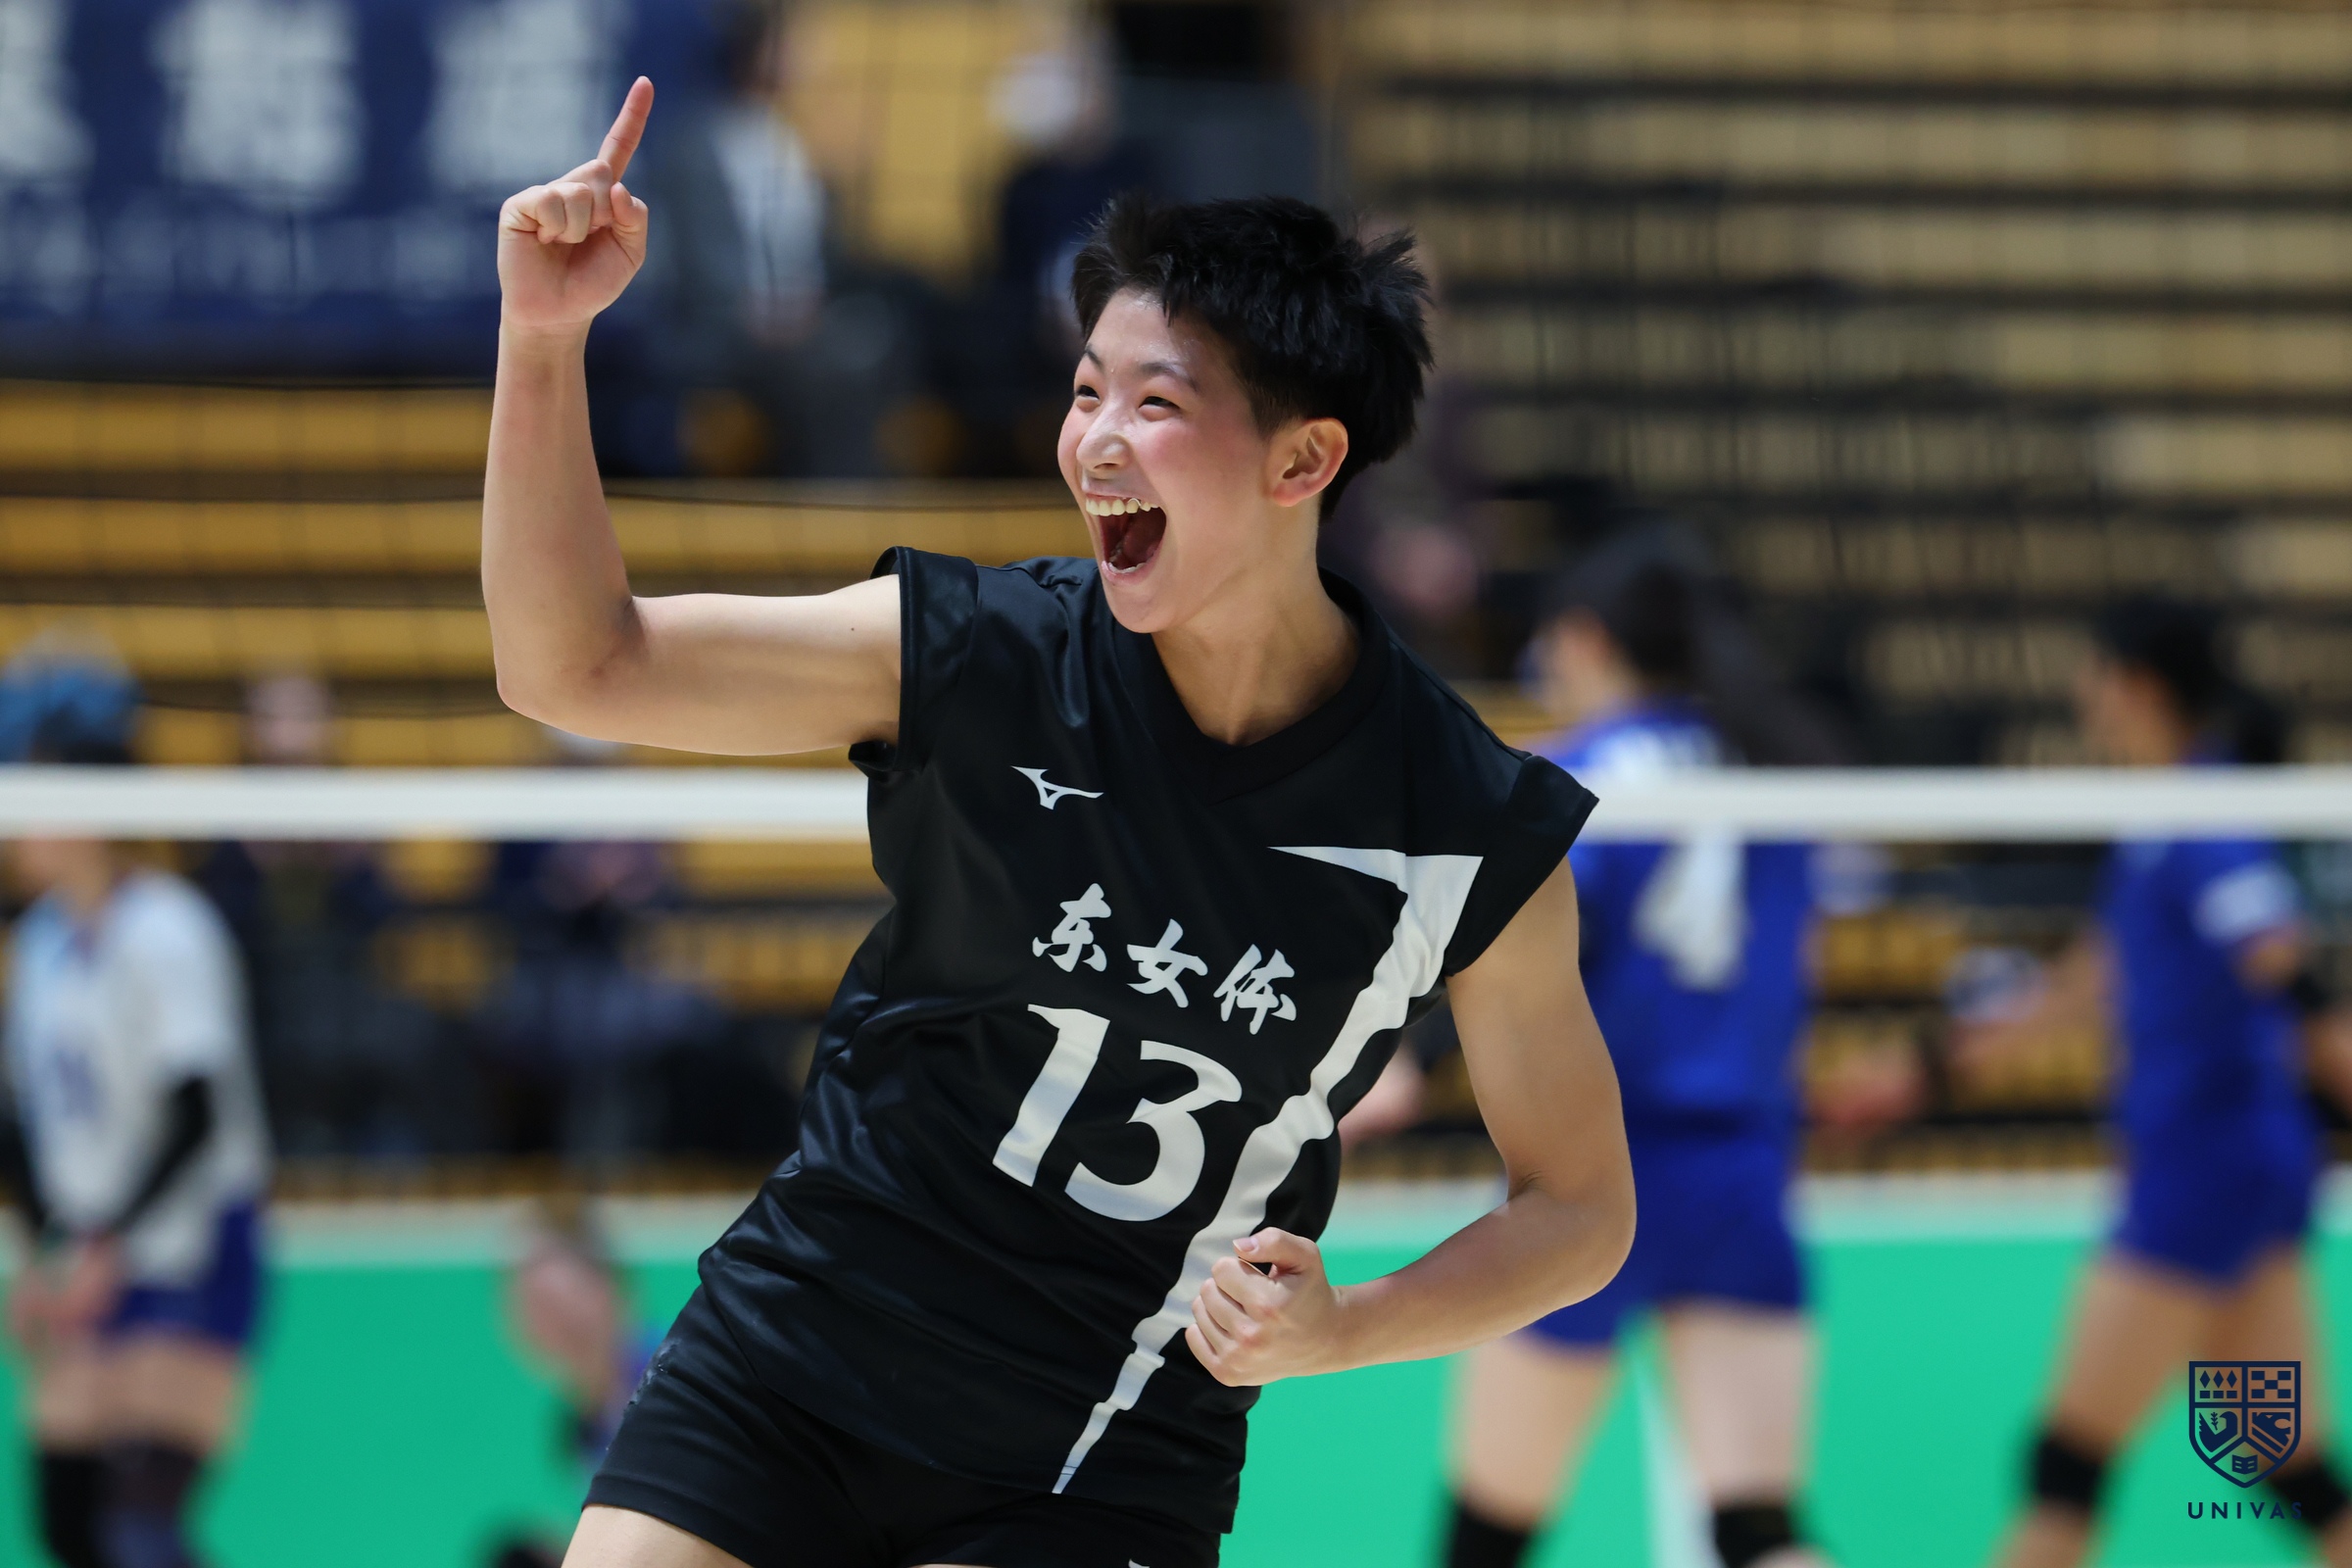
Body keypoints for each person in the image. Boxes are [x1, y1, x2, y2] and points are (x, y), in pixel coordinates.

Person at [484, 79, 1636, 1568]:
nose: (1093, 440)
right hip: (793, 1359)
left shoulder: (1462, 822)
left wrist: (1347, 1328)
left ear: (1303, 462)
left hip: (1098, 1449)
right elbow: (573, 665)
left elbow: (1581, 1209)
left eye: (1155, 404)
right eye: (1086, 392)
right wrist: (543, 339)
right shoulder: (981, 652)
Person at [1375, 532, 1841, 1568]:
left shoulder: (1584, 774)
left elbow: (1515, 934)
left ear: (1584, 640)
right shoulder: (1771, 767)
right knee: (1760, 1529)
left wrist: (1408, 1063)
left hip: (1589, 1176)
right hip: (1739, 1166)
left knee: (1485, 1539)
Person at [1965, 598, 2352, 1568]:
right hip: (2242, 1163)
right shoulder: (2165, 812)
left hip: (2206, 1164)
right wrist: (1934, 1064)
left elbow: (2276, 952)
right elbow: (2101, 972)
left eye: (2091, 672)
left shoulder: (2199, 808)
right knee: (2293, 1470)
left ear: (2134, 686)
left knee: (2068, 1464)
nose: (2080, 694)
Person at [3, 739, 271, 1568]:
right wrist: (45, 1253)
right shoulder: (42, 937)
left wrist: (106, 1246)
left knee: (142, 1530)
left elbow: (198, 1110)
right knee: (68, 1524)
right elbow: (22, 1117)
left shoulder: (167, 927)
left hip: (188, 1246)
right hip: (86, 1247)